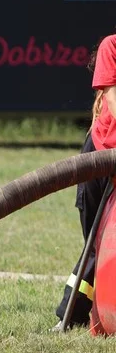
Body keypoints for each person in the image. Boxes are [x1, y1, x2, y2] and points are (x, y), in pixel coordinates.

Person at [58, 32, 116, 327]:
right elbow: (114, 99)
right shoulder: (112, 45)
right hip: (101, 154)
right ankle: (71, 315)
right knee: (96, 241)